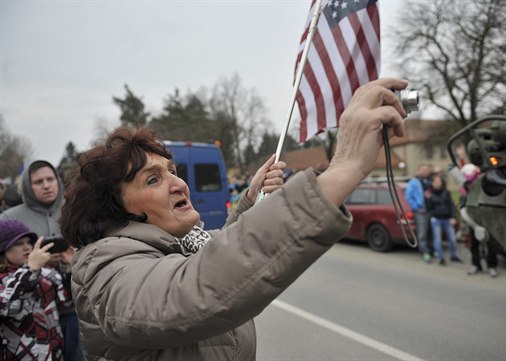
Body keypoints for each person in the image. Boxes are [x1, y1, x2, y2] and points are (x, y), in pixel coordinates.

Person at [58, 78, 410, 360]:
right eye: (153, 179)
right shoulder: (104, 268)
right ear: (117, 208)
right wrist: (342, 168)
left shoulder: (183, 245)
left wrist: (250, 199)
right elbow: (193, 288)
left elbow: (218, 248)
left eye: (171, 170)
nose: (178, 183)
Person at [0, 160, 87, 360]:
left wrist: (74, 259)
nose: (46, 185)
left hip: (73, 306)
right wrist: (35, 264)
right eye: (38, 182)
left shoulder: (77, 211)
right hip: (27, 314)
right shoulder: (8, 218)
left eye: (50, 179)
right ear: (28, 187)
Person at [0, 219, 69, 360]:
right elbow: (7, 307)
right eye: (19, 244)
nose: (27, 248)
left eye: (29, 242)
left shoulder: (46, 272)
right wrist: (30, 270)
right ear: (3, 248)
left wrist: (70, 268)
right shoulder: (3, 278)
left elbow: (67, 302)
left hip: (54, 354)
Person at [459, 164, 499, 277]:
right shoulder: (469, 189)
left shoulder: (487, 186)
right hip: (473, 221)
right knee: (474, 244)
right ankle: (476, 265)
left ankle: (492, 266)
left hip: (488, 220)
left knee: (491, 244)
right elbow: (463, 203)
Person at [425, 174, 462, 265]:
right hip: (436, 219)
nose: (438, 183)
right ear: (432, 183)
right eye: (436, 181)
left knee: (452, 239)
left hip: (447, 218)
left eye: (439, 181)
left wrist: (453, 217)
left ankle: (454, 255)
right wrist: (429, 199)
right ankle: (441, 258)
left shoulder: (446, 192)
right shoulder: (429, 194)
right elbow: (428, 208)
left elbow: (451, 206)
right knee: (437, 240)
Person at [405, 164, 433, 263]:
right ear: (418, 170)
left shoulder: (430, 181)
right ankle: (424, 252)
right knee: (422, 233)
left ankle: (431, 250)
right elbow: (408, 197)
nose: (425, 171)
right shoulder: (413, 182)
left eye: (426, 170)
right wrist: (417, 207)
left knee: (430, 232)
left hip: (431, 211)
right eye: (422, 169)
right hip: (421, 212)